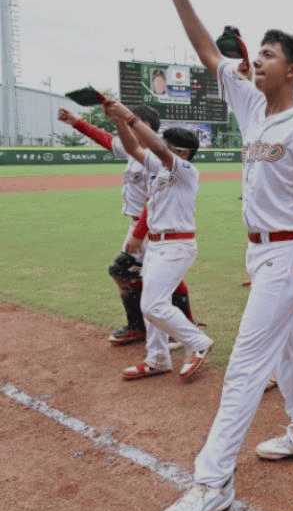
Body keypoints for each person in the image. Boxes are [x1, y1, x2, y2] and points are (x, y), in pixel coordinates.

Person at [151, 0, 293, 511]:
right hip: (261, 250)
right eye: (256, 53)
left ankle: (212, 485)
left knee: (245, 367)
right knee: (287, 347)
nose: (254, 60)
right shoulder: (254, 107)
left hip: (291, 252)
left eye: (267, 55)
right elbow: (209, 53)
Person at [56, 106, 193, 349]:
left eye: (134, 125)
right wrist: (76, 122)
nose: (130, 130)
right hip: (138, 225)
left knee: (132, 272)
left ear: (147, 128)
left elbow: (155, 200)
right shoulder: (135, 152)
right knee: (137, 274)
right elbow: (106, 139)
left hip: (150, 226)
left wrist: (139, 234)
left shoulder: (157, 160)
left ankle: (165, 327)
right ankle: (145, 326)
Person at [103, 100, 215, 382]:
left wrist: (130, 117)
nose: (158, 147)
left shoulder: (186, 171)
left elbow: (157, 148)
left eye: (166, 145)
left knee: (154, 306)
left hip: (176, 246)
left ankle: (198, 342)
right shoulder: (163, 171)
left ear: (182, 151)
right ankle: (158, 359)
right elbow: (132, 148)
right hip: (156, 244)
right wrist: (120, 121)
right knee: (151, 305)